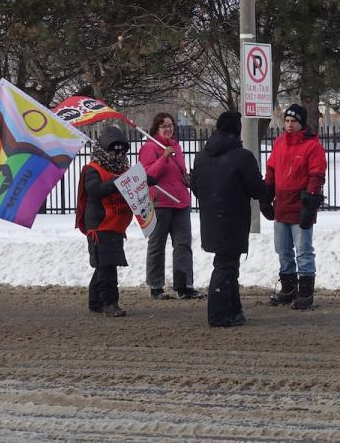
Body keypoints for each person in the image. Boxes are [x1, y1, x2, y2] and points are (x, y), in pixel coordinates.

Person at [190, 111, 274, 327]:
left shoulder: (201, 156)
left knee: (227, 265)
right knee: (225, 266)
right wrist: (269, 190)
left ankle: (233, 310)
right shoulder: (242, 156)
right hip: (234, 219)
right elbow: (257, 189)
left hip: (211, 219)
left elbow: (196, 187)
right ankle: (219, 314)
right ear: (237, 129)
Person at [264, 104, 327, 310]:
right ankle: (288, 289)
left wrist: (310, 199)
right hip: (281, 203)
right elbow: (271, 170)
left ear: (301, 123)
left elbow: (316, 173)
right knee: (282, 249)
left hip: (301, 204)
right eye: (287, 121)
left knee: (303, 250)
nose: (289, 125)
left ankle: (306, 293)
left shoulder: (312, 145)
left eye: (294, 122)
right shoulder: (280, 142)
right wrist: (267, 195)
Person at [139, 113, 204, 300]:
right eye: (164, 126)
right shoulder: (150, 147)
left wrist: (186, 179)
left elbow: (178, 171)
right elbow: (148, 175)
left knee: (183, 245)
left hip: (180, 201)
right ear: (156, 129)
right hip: (161, 203)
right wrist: (163, 158)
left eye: (170, 125)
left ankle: (184, 285)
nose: (168, 129)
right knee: (157, 245)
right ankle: (156, 286)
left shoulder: (176, 146)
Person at [76, 126, 137, 317]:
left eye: (121, 148)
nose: (117, 152)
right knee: (107, 266)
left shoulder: (123, 169)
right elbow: (96, 190)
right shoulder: (92, 170)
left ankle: (95, 302)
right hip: (99, 224)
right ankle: (110, 303)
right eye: (113, 148)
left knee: (105, 264)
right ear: (104, 148)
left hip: (116, 224)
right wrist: (120, 181)